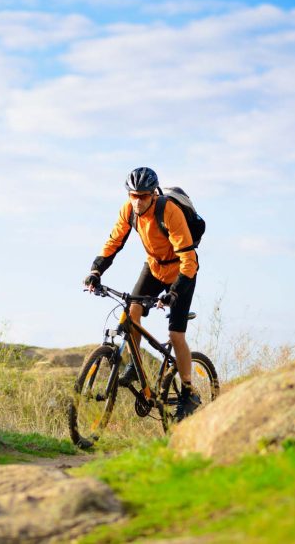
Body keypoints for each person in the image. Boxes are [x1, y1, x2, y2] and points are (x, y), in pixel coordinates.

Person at [84, 166, 200, 421]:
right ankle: (135, 368)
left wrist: (174, 293)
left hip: (182, 271)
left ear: (153, 195)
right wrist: (96, 271)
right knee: (131, 313)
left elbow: (188, 259)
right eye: (133, 195)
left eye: (143, 196)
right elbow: (114, 242)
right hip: (154, 267)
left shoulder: (169, 211)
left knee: (175, 334)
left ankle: (189, 392)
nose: (137, 201)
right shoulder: (129, 210)